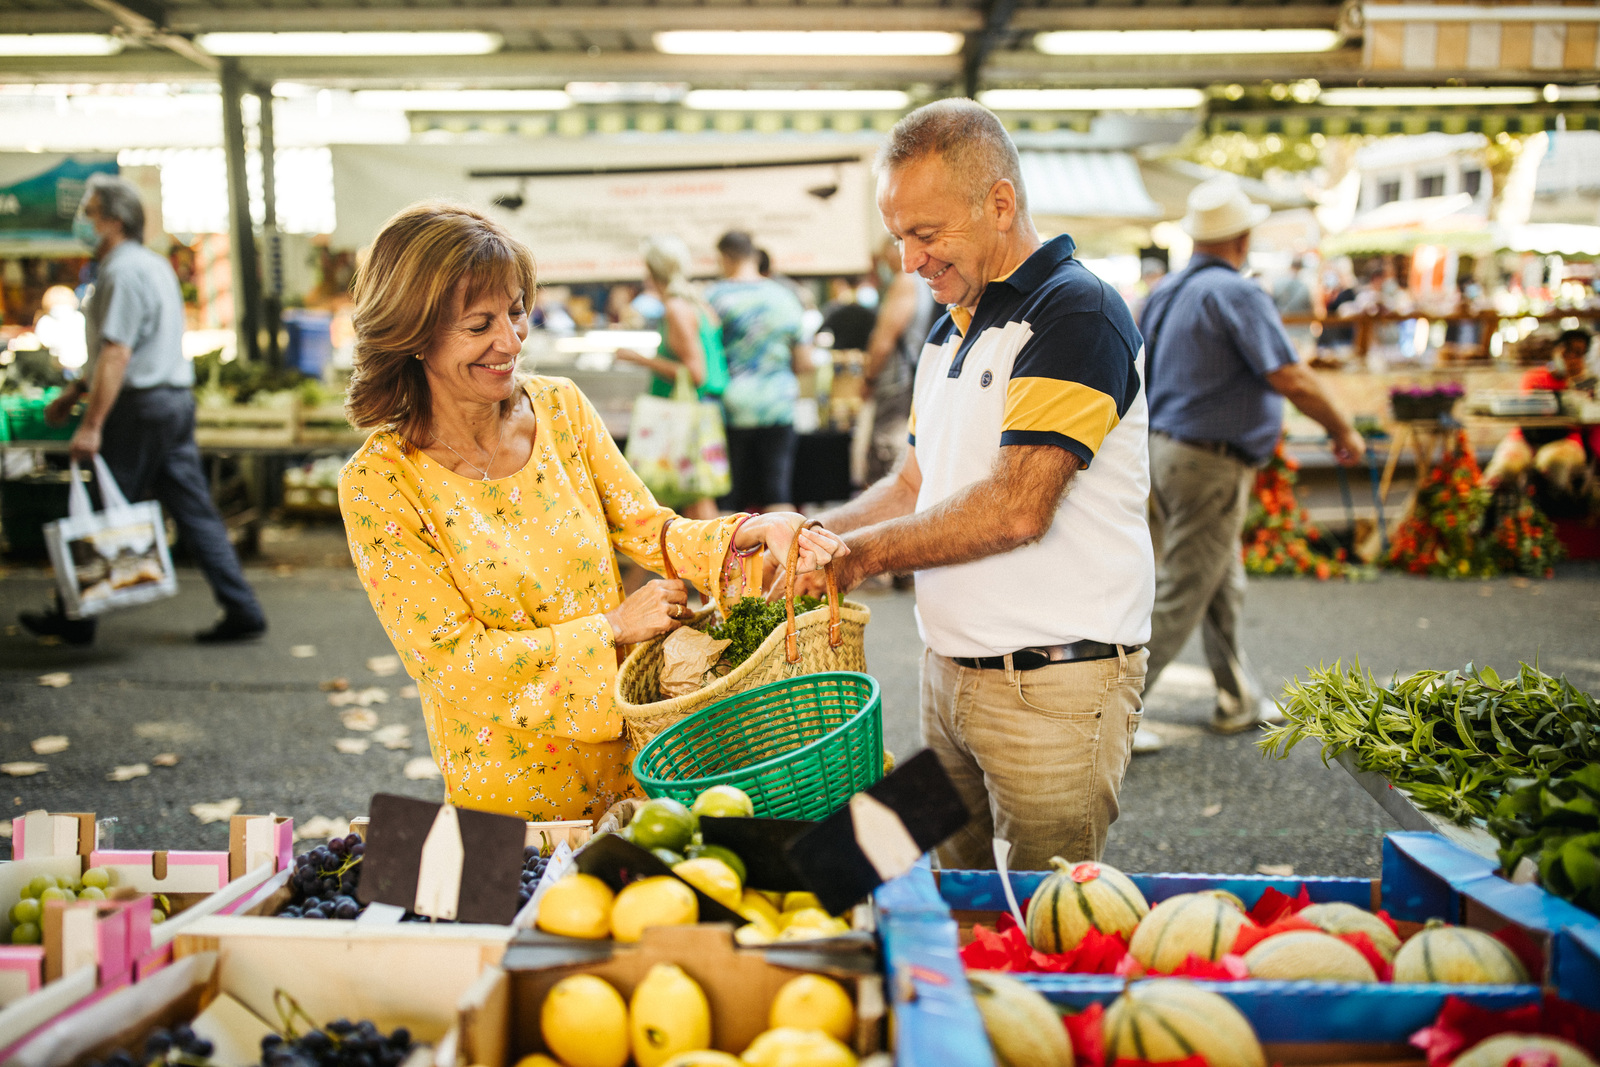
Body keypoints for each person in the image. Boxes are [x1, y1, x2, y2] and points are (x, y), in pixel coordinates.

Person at [337, 202, 845, 821]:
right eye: (479, 325)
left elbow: (647, 527)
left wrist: (749, 533)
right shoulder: (379, 482)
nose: (510, 341)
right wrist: (611, 628)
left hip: (635, 759)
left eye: (517, 313)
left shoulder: (561, 410)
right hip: (505, 794)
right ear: (413, 333)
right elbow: (450, 660)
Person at [788, 99, 1154, 872]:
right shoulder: (951, 321)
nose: (909, 260)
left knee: (1041, 919)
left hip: (1051, 691)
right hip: (948, 681)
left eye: (925, 234)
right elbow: (915, 481)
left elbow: (1018, 506)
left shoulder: (1076, 313)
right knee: (949, 895)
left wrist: (853, 560)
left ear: (999, 203)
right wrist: (813, 532)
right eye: (897, 237)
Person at [1137, 177, 1364, 753]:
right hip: (1208, 462)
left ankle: (1236, 696)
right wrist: (1342, 428)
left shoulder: (1165, 291)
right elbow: (1288, 375)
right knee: (1184, 589)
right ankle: (1116, 714)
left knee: (1220, 582)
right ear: (1242, 236)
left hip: (1164, 451)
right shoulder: (1236, 293)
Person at [20, 174, 266, 646]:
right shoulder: (150, 266)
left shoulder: (121, 273)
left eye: (88, 213)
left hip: (139, 409)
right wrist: (75, 393)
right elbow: (122, 351)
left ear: (113, 221)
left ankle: (75, 617)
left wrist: (91, 425)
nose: (82, 222)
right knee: (194, 509)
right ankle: (243, 607)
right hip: (171, 402)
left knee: (99, 508)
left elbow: (117, 353)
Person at [613, 234, 730, 519]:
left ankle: (722, 561)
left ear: (652, 270)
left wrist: (638, 358)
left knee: (687, 504)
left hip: (682, 417)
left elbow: (695, 372)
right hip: (699, 412)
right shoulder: (698, 304)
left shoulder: (676, 308)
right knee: (692, 501)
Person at [708, 231, 810, 512]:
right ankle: (786, 555)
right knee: (777, 489)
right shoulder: (785, 296)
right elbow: (804, 361)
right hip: (778, 403)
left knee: (727, 495)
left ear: (725, 257)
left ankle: (727, 556)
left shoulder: (714, 298)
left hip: (730, 406)